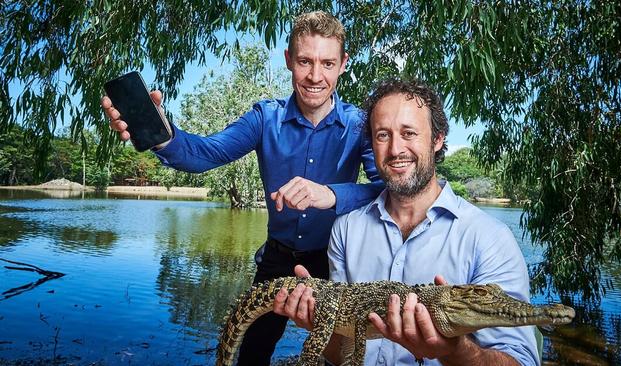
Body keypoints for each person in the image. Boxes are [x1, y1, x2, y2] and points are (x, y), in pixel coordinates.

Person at [102, 11, 384, 365]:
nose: (316, 76)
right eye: (304, 61)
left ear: (343, 64)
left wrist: (331, 195)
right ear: (287, 60)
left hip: (334, 260)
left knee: (341, 356)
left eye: (327, 63)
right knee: (252, 353)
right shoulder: (264, 117)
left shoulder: (361, 125)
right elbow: (206, 153)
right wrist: (162, 136)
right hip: (277, 261)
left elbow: (388, 192)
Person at [274, 79, 539, 365]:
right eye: (382, 135)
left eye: (409, 133)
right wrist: (320, 323)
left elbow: (521, 361)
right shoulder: (345, 230)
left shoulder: (490, 238)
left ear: (437, 139)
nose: (395, 149)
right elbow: (343, 355)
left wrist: (455, 350)